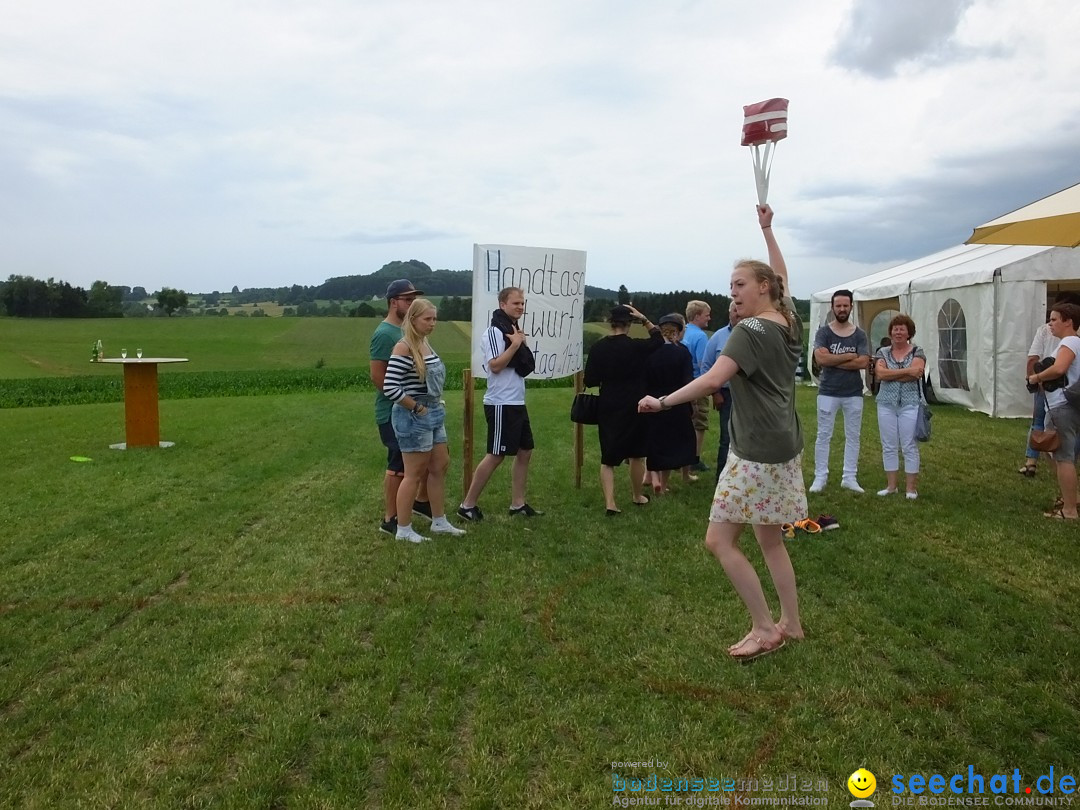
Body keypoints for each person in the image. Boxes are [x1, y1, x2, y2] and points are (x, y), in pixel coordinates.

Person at [639, 204, 804, 661]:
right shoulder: (788, 321)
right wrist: (768, 231)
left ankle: (765, 628)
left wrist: (662, 401)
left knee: (719, 540)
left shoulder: (749, 329)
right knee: (769, 539)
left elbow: (713, 380)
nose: (733, 292)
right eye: (731, 285)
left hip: (754, 448)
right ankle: (791, 622)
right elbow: (784, 279)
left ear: (762, 287)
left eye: (740, 285)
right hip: (785, 443)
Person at [382, 299, 467, 542]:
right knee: (413, 474)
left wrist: (432, 405)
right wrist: (417, 407)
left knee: (440, 464)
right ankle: (404, 529)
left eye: (434, 319)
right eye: (427, 319)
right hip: (413, 417)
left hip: (433, 413)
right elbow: (390, 387)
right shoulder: (404, 347)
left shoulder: (425, 343)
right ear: (413, 320)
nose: (433, 323)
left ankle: (439, 521)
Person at [458, 287, 543, 521]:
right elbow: (495, 365)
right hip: (500, 403)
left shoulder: (513, 330)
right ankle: (467, 505)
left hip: (515, 400)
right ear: (502, 304)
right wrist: (516, 345)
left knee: (525, 451)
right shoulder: (495, 332)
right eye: (516, 303)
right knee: (496, 455)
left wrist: (518, 341)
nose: (520, 307)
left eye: (523, 303)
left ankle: (518, 504)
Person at [585, 303, 663, 514]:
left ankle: (610, 503)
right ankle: (637, 496)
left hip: (609, 403)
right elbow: (658, 339)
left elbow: (590, 379)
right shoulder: (637, 347)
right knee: (637, 454)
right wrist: (644, 318)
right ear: (629, 324)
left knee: (608, 457)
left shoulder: (598, 348)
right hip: (636, 404)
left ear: (611, 323)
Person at [370, 279, 431, 535]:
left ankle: (421, 502)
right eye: (407, 300)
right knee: (397, 465)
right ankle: (390, 518)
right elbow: (378, 377)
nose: (411, 303)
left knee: (423, 461)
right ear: (393, 302)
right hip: (393, 412)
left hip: (415, 409)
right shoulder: (385, 334)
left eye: (413, 299)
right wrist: (404, 402)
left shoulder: (409, 331)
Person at [809, 290, 870, 494]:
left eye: (845, 305)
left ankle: (849, 477)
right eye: (838, 305)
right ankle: (820, 477)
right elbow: (821, 360)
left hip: (853, 393)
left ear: (851, 306)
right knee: (823, 435)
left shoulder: (859, 334)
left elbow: (863, 362)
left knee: (853, 436)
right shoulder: (824, 333)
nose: (842, 309)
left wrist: (834, 359)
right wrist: (849, 356)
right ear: (832, 307)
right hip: (828, 391)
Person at [1026, 302, 1080, 520]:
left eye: (1055, 319)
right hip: (1067, 406)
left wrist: (1036, 377)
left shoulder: (1069, 341)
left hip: (1062, 406)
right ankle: (1070, 498)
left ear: (1068, 321)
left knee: (1063, 456)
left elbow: (1059, 368)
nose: (1050, 323)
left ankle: (1069, 509)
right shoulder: (1075, 342)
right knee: (1053, 450)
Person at [643, 314, 697, 494]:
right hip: (675, 401)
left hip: (651, 400)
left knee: (654, 440)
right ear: (678, 331)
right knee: (670, 444)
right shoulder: (682, 352)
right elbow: (688, 380)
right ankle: (663, 484)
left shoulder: (650, 351)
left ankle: (652, 476)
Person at [873, 314, 925, 500]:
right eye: (895, 329)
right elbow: (879, 374)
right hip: (886, 403)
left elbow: (917, 373)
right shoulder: (883, 352)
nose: (898, 332)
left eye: (902, 329)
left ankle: (911, 489)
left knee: (909, 445)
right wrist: (907, 371)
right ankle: (891, 486)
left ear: (909, 332)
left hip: (910, 404)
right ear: (891, 332)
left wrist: (891, 374)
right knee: (888, 445)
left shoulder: (917, 352)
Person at [702, 301, 741, 481]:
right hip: (727, 395)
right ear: (729, 313)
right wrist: (715, 393)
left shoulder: (757, 335)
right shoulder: (718, 337)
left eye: (740, 309)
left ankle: (744, 478)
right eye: (735, 310)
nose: (738, 313)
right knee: (727, 437)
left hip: (753, 395)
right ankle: (722, 478)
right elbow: (707, 366)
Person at [682, 300, 712, 473]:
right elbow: (703, 364)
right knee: (699, 423)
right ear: (697, 316)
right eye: (707, 315)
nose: (709, 318)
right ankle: (694, 458)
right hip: (697, 383)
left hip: (681, 385)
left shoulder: (683, 332)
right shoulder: (700, 336)